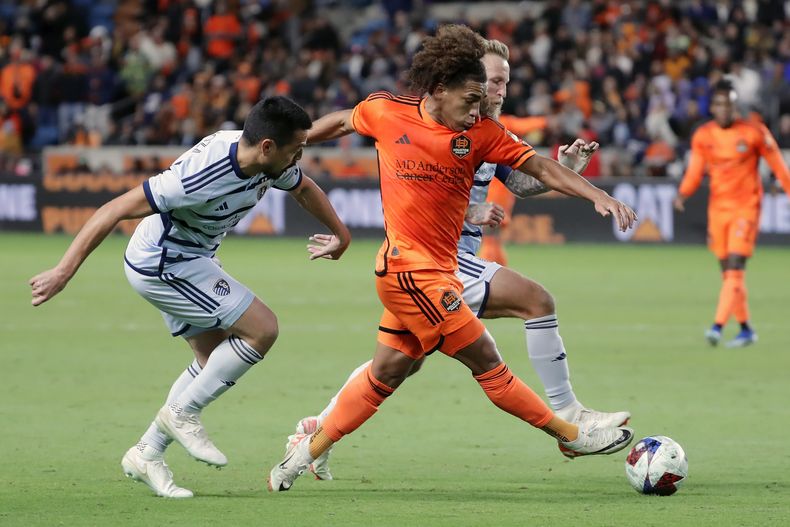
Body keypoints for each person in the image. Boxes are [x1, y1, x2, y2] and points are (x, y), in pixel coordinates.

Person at [267, 25, 637, 492]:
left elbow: (537, 170)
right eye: (473, 97)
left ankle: (300, 453)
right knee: (488, 357)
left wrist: (594, 194)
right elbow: (342, 121)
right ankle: (571, 434)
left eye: (488, 94)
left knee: (388, 372)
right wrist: (289, 146)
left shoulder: (482, 133)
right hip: (410, 272)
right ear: (439, 89)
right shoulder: (387, 112)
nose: (479, 107)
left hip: (434, 271)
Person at [29, 96, 352, 498]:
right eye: (295, 150)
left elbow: (303, 188)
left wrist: (342, 232)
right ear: (268, 146)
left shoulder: (267, 159)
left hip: (193, 256)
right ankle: (181, 413)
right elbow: (114, 209)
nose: (299, 157)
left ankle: (147, 452)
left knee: (212, 360)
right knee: (262, 329)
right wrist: (64, 270)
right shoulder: (202, 174)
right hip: (163, 262)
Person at [673, 80, 790, 348]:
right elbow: (695, 170)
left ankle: (717, 326)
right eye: (719, 105)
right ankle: (746, 329)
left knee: (736, 267)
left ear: (735, 107)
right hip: (718, 210)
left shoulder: (754, 132)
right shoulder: (703, 135)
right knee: (729, 274)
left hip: (746, 207)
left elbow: (779, 167)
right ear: (712, 108)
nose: (723, 110)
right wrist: (683, 193)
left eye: (728, 105)